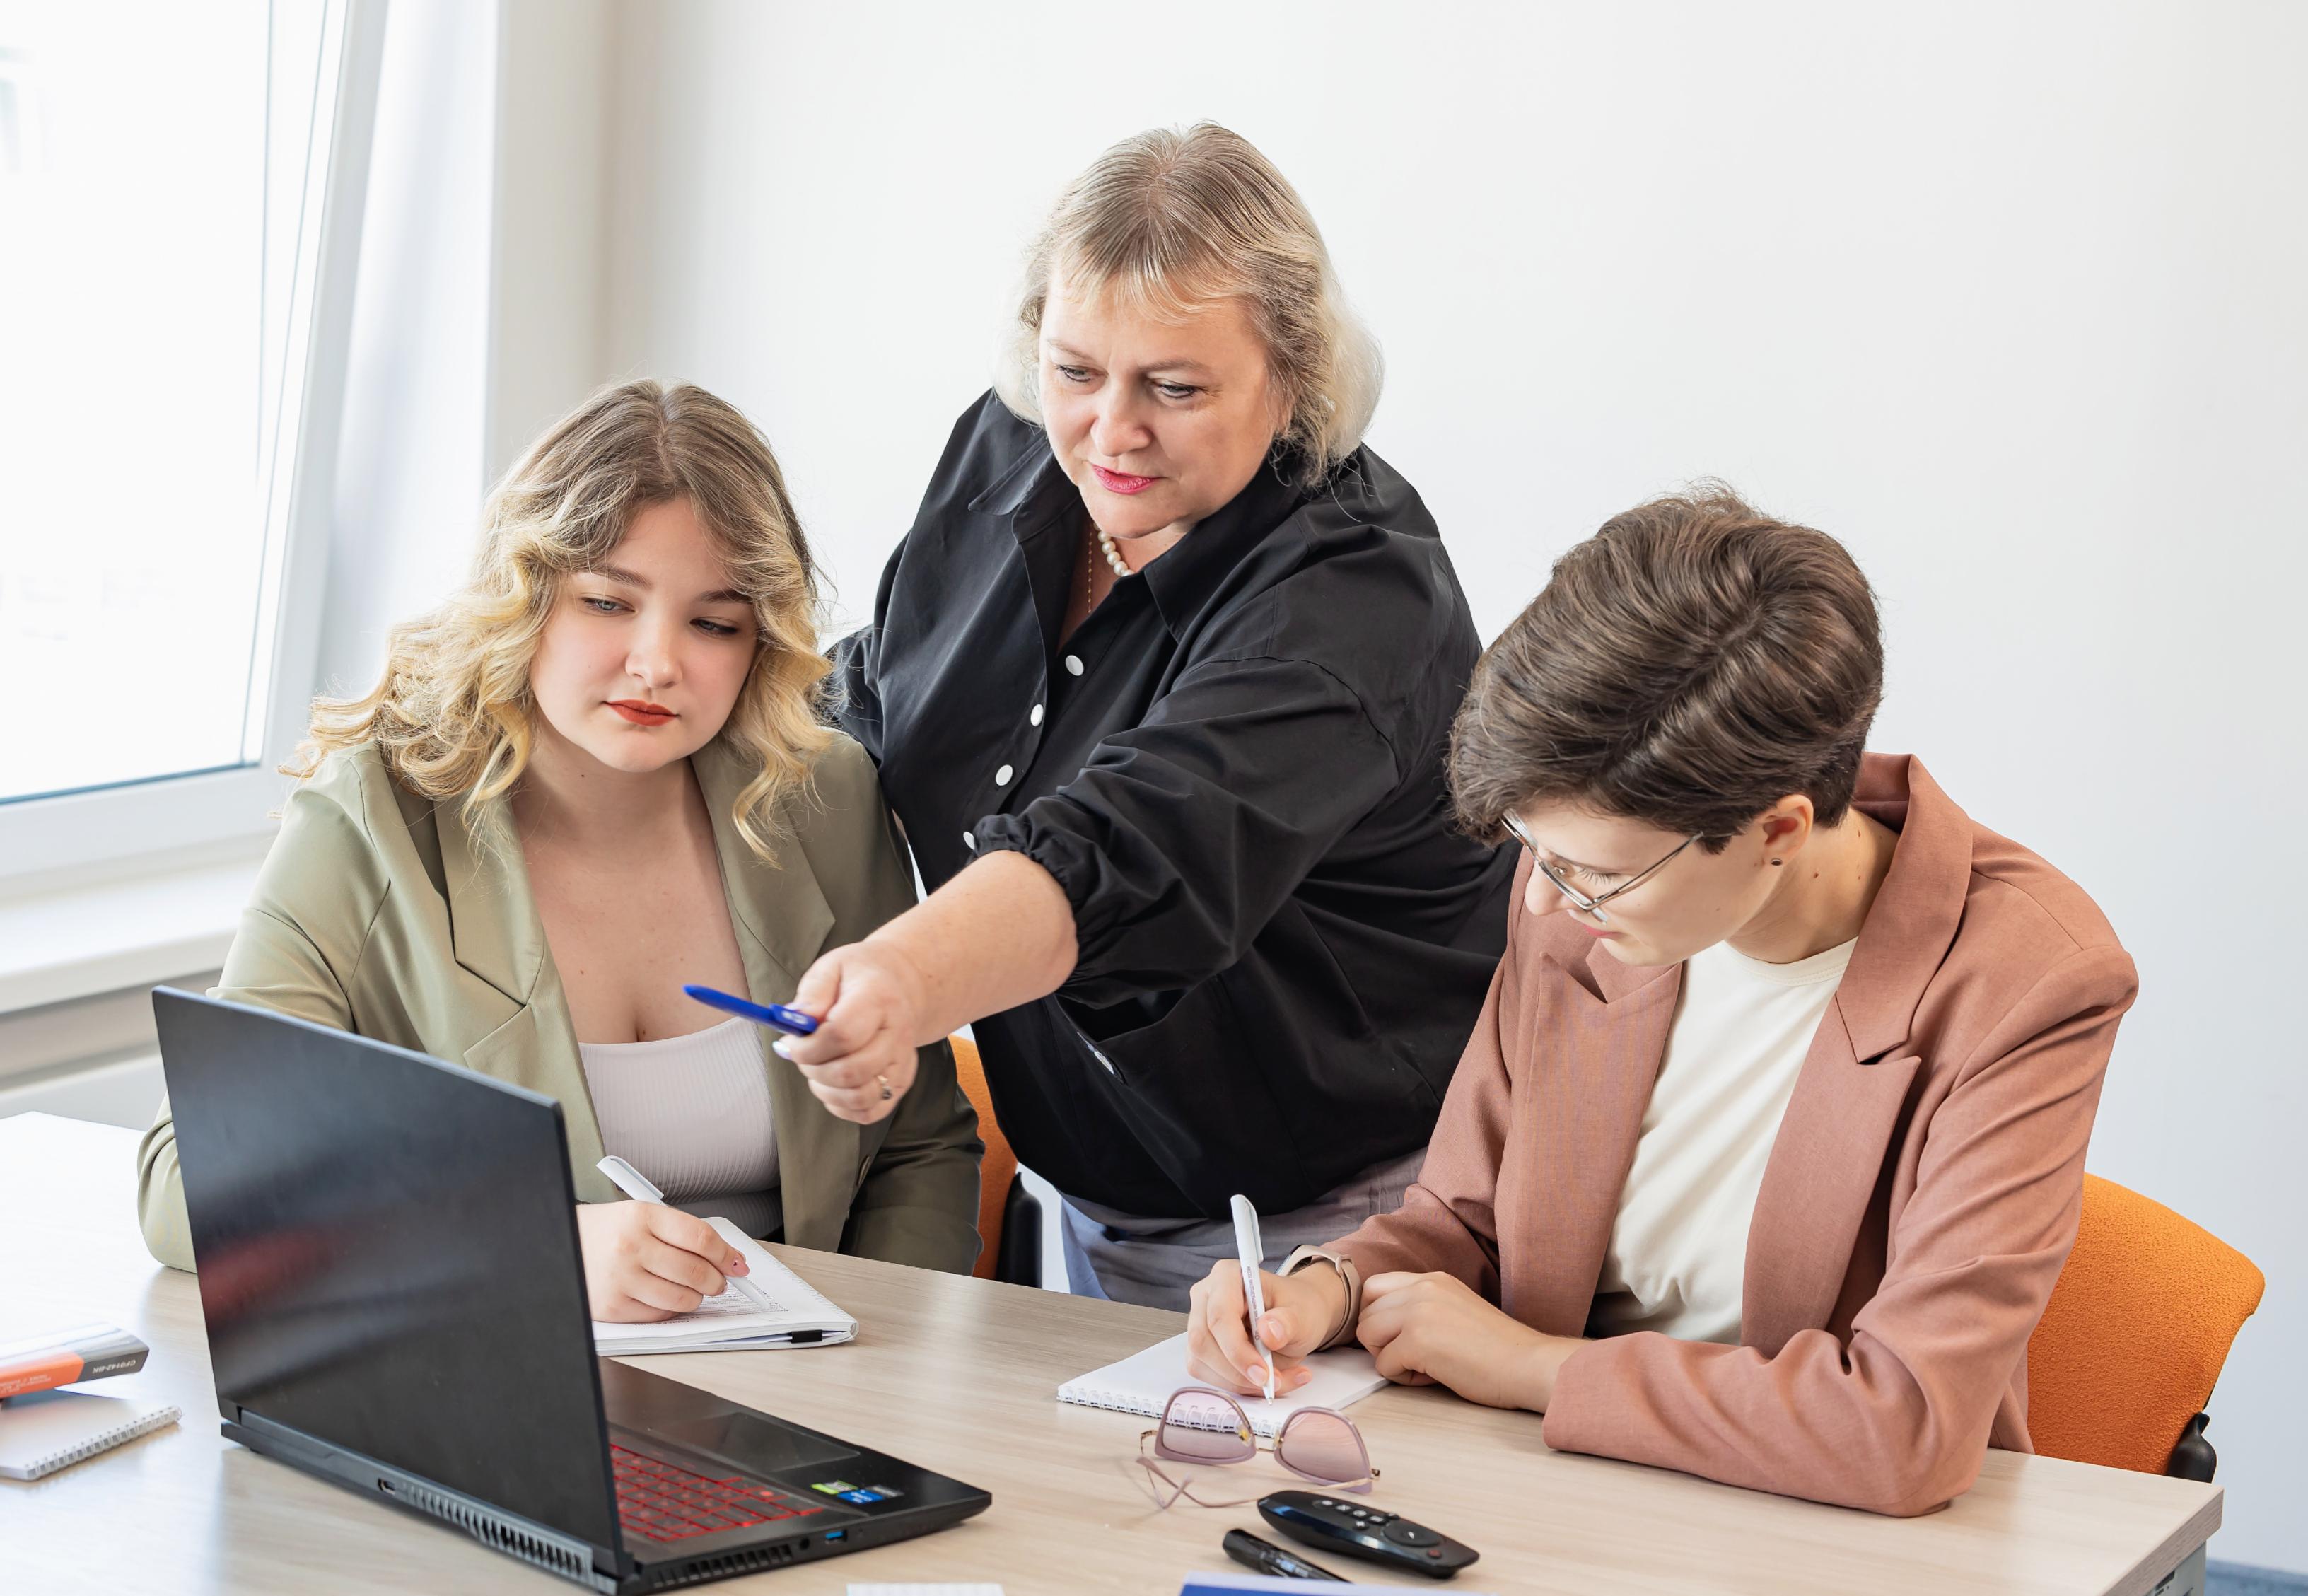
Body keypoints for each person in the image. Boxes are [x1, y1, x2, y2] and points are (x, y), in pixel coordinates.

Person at [1183, 487, 2138, 1516]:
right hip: (1545, 1502)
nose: (1548, 898)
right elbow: (1464, 1221)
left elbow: (1902, 1425)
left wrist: (1534, 1367)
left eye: (1594, 872)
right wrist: (1325, 1286)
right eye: (1532, 849)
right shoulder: (1582, 885)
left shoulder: (2025, 977)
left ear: (1779, 829)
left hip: (1823, 1538)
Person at [782, 123, 1516, 1308]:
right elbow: (886, 686)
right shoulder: (1013, 449)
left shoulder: (1353, 593)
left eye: (1174, 388)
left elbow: (1137, 844)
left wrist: (902, 982)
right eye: (1076, 371)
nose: (1110, 431)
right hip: (1097, 1203)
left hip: (1359, 1222)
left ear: (1295, 376)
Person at [136, 380, 983, 1313]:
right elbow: (186, 1181)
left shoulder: (824, 793)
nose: (658, 661)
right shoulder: (371, 819)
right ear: (525, 592)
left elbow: (920, 1144)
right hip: (504, 1393)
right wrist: (529, 1243)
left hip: (805, 1396)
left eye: (713, 621)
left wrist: (871, 1367)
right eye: (609, 603)